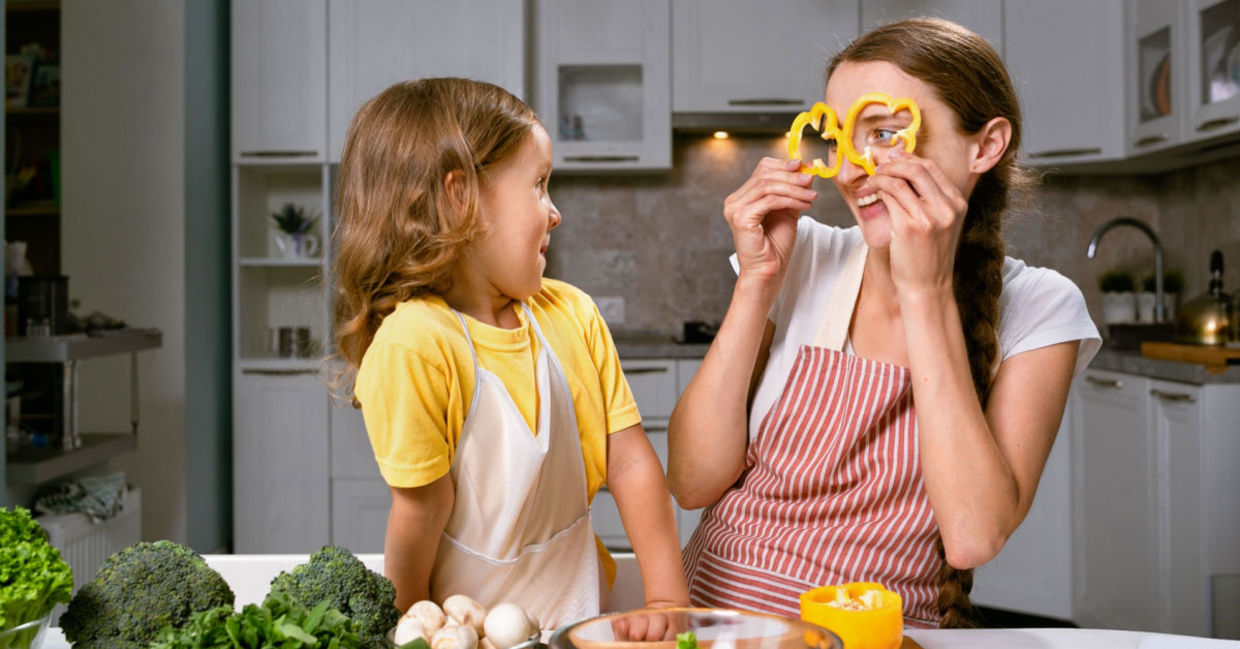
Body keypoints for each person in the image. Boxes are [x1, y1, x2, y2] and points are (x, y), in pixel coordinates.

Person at [667, 18, 1101, 629]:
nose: (849, 169)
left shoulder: (1041, 308)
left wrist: (926, 290)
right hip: (717, 622)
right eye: (841, 139)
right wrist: (755, 284)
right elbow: (690, 483)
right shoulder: (804, 255)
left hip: (882, 637)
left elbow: (974, 537)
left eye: (887, 132)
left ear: (985, 145)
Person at [331, 77, 689, 631]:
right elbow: (418, 514)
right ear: (460, 198)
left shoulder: (571, 313)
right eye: (539, 185)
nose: (554, 212)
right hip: (469, 636)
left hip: (580, 620)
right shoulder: (416, 345)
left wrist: (667, 600)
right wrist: (413, 629)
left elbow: (633, 463)